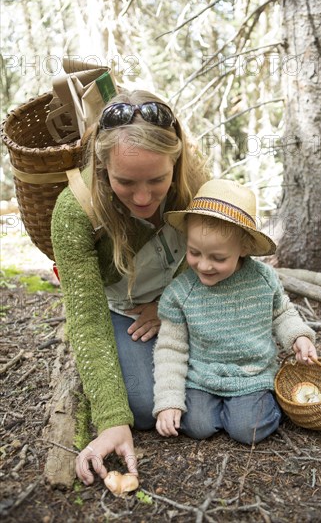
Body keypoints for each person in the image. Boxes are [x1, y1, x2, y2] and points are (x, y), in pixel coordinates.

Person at [51, 89, 208, 485]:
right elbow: (86, 318)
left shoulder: (196, 183)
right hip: (125, 309)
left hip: (186, 297)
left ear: (176, 162)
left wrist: (169, 304)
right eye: (126, 182)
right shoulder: (74, 212)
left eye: (158, 180)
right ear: (103, 167)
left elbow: (219, 254)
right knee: (140, 409)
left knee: (202, 412)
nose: (143, 197)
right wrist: (111, 421)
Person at [153, 179, 318, 444]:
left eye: (218, 258)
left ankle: (258, 406)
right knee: (196, 426)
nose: (204, 265)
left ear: (244, 248)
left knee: (246, 430)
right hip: (203, 376)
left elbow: (282, 313)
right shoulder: (180, 293)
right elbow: (171, 349)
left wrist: (299, 337)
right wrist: (168, 400)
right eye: (194, 252)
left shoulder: (263, 279)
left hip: (251, 373)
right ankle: (222, 410)